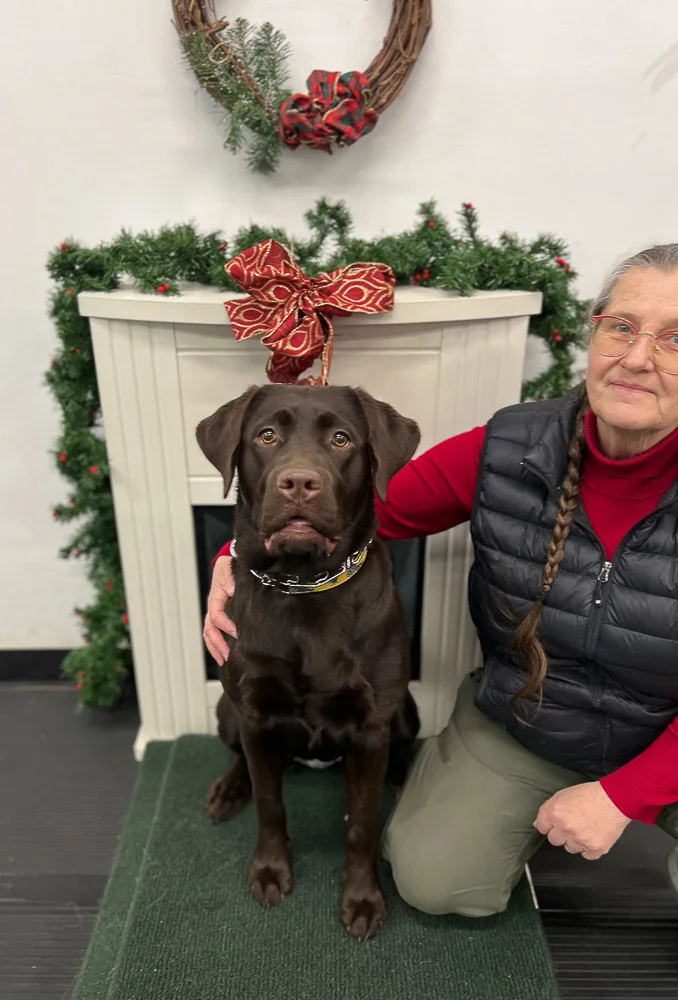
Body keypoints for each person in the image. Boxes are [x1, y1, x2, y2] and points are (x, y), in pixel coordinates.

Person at [204, 245, 678, 917]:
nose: (638, 357)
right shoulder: (510, 449)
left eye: (675, 338)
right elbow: (364, 510)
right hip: (531, 723)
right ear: (593, 335)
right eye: (622, 327)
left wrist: (624, 795)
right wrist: (234, 557)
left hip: (665, 737)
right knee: (435, 880)